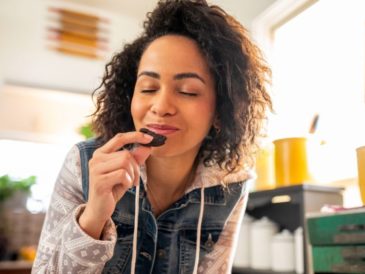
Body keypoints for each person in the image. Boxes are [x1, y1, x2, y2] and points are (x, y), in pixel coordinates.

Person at [32, 0, 272, 273]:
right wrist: (94, 216)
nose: (160, 106)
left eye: (188, 91)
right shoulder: (83, 163)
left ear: (221, 110)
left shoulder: (231, 183)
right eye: (148, 88)